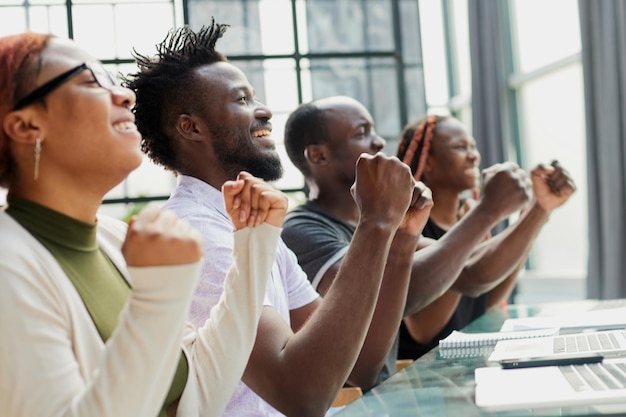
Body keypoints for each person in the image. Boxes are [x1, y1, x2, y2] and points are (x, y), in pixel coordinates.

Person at [126, 22, 433, 417]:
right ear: (192, 128)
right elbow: (302, 395)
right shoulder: (200, 235)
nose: (265, 111)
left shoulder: (253, 228)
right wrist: (374, 223)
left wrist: (402, 235)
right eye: (241, 99)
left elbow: (359, 366)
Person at [0, 31, 290, 417]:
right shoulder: (9, 266)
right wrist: (159, 295)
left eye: (113, 81)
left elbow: (200, 394)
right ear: (26, 127)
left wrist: (253, 242)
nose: (124, 96)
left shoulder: (115, 239)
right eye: (90, 82)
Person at [281, 95, 576, 373]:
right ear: (319, 156)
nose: (380, 142)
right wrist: (486, 211)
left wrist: (538, 210)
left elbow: (471, 274)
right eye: (362, 133)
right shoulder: (304, 230)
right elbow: (385, 298)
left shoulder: (385, 224)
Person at [394, 114, 576, 359]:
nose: (473, 156)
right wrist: (478, 221)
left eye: (473, 147)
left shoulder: (470, 217)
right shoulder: (407, 226)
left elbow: (487, 298)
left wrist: (539, 209)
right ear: (428, 163)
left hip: (467, 368)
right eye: (460, 147)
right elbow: (426, 331)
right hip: (422, 379)